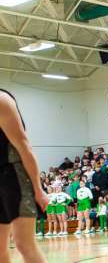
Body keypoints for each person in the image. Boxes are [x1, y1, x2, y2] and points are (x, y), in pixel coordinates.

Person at [0, 89, 49, 262]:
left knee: (23, 243)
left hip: (15, 175)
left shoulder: (2, 101)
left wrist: (38, 189)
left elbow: (24, 147)